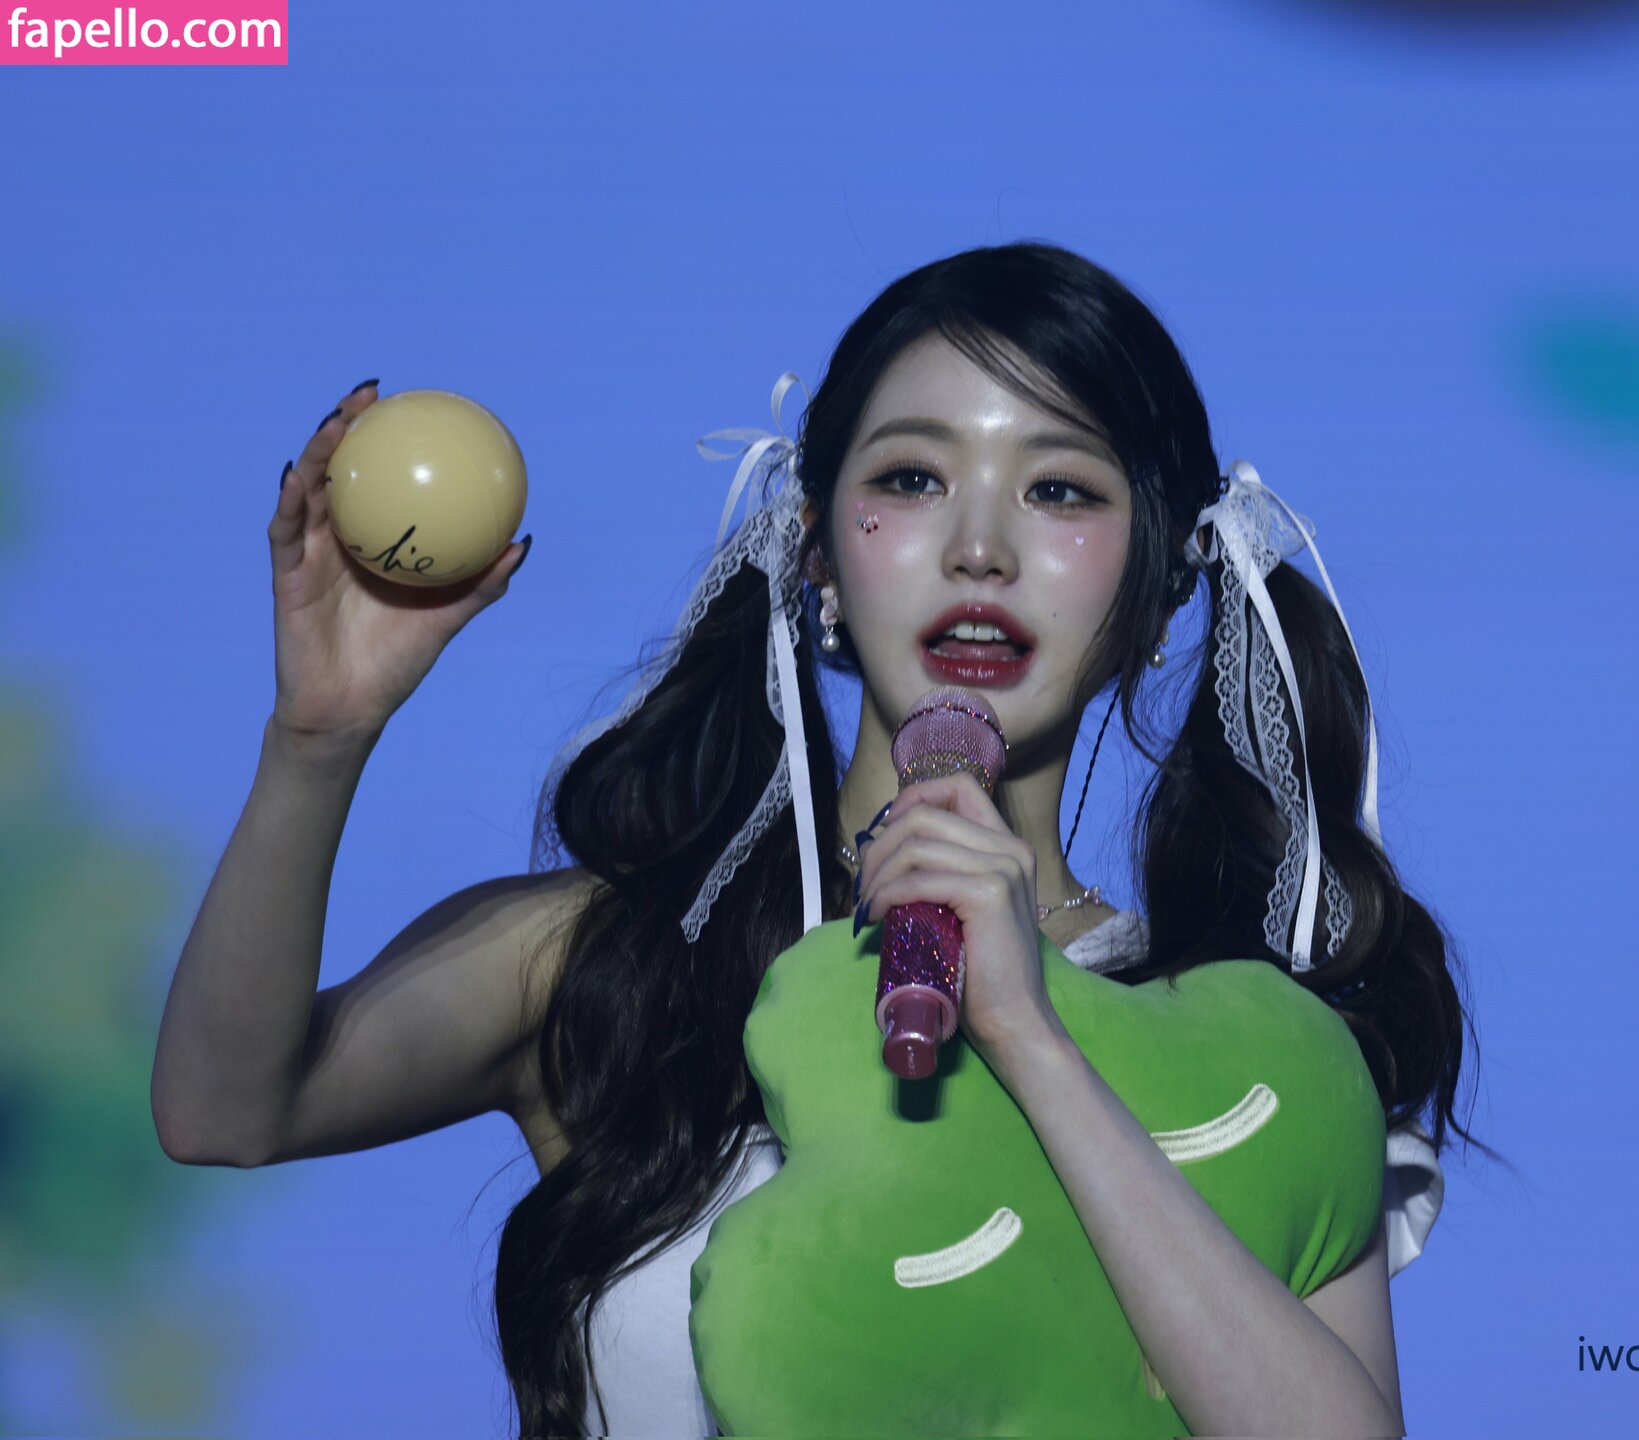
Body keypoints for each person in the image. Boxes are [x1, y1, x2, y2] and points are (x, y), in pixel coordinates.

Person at [151, 241, 1487, 1439]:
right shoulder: (615, 962)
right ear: (816, 555)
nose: (979, 548)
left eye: (1059, 491)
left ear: (1156, 590)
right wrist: (317, 740)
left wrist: (1032, 1034)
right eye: (912, 478)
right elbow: (221, 1109)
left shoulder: (1237, 1050)